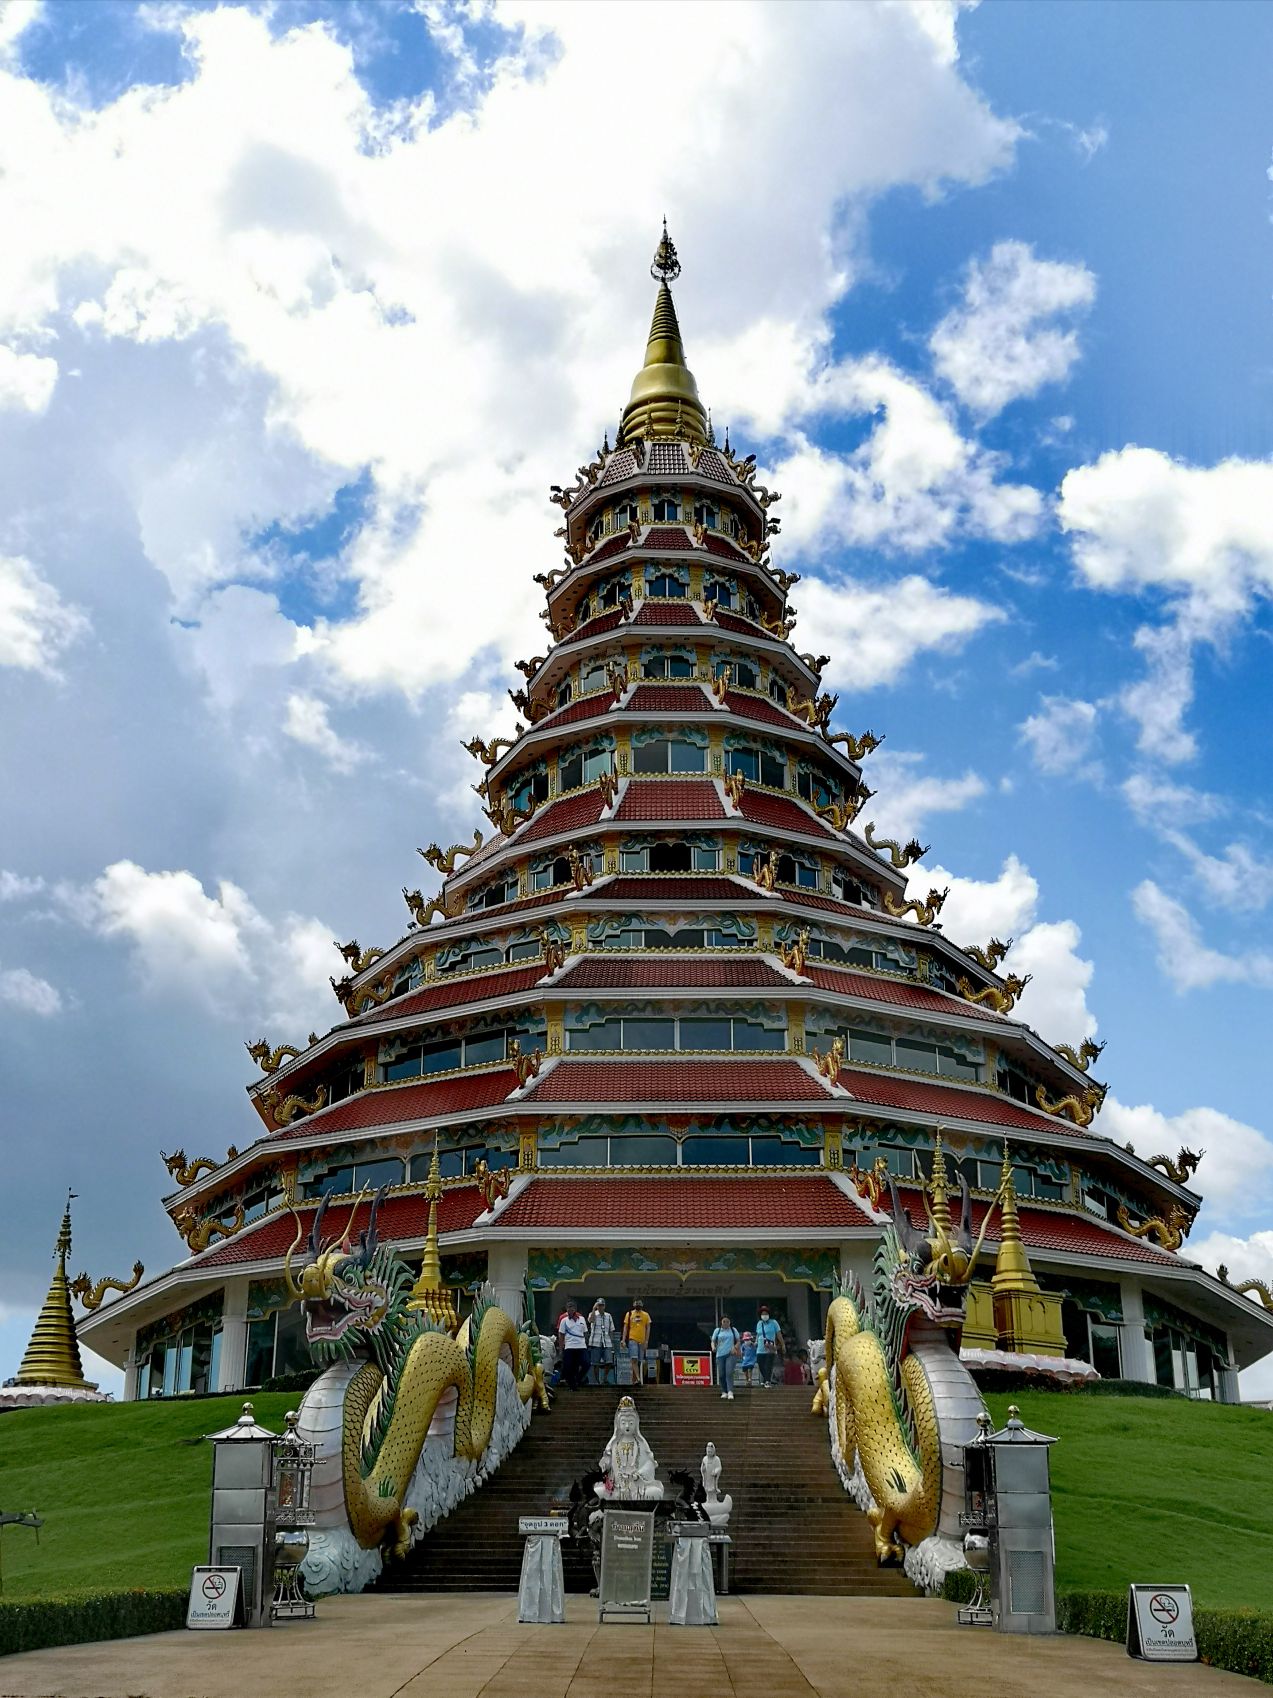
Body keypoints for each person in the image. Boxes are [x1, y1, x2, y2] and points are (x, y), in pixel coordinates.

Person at [558, 1299, 589, 1390]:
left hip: (581, 1346)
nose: (569, 1309)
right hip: (569, 1346)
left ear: (575, 1309)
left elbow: (585, 1332)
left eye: (571, 1307)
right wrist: (561, 1349)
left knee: (586, 1364)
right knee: (568, 1367)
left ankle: (578, 1379)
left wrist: (586, 1343)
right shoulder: (564, 1320)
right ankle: (572, 1385)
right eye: (568, 1307)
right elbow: (561, 1335)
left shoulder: (582, 1319)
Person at [622, 1297, 652, 1385]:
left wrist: (646, 1341)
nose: (638, 1304)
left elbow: (648, 1328)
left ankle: (634, 1380)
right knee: (634, 1359)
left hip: (642, 1341)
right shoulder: (629, 1314)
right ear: (633, 1304)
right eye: (636, 1303)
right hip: (632, 1339)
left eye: (639, 1303)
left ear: (642, 1304)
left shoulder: (646, 1315)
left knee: (639, 1361)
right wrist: (623, 1340)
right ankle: (639, 1379)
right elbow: (625, 1327)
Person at [711, 1311, 740, 1400]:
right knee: (721, 1374)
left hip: (730, 1354)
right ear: (721, 1322)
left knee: (729, 1372)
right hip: (720, 1354)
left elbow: (738, 1341)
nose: (726, 1323)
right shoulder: (717, 1330)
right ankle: (724, 1391)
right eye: (724, 1321)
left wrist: (735, 1347)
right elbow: (713, 1341)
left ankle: (730, 1391)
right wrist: (713, 1347)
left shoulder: (733, 1330)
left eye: (727, 1321)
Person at [587, 1298, 615, 1386]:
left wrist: (612, 1342)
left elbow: (611, 1330)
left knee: (609, 1361)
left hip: (606, 1341)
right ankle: (597, 1381)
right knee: (596, 1363)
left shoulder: (608, 1316)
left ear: (604, 1306)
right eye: (599, 1305)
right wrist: (593, 1309)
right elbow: (590, 1320)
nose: (600, 1307)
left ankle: (605, 1378)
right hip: (595, 1341)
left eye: (602, 1305)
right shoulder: (593, 1314)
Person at [755, 1304, 784, 1387]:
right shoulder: (759, 1323)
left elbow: (778, 1334)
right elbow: (758, 1334)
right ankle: (766, 1379)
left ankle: (767, 1381)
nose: (764, 1315)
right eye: (762, 1314)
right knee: (761, 1365)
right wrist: (756, 1342)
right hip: (760, 1348)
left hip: (770, 1348)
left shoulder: (774, 1322)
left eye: (766, 1314)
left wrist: (783, 1344)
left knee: (768, 1365)